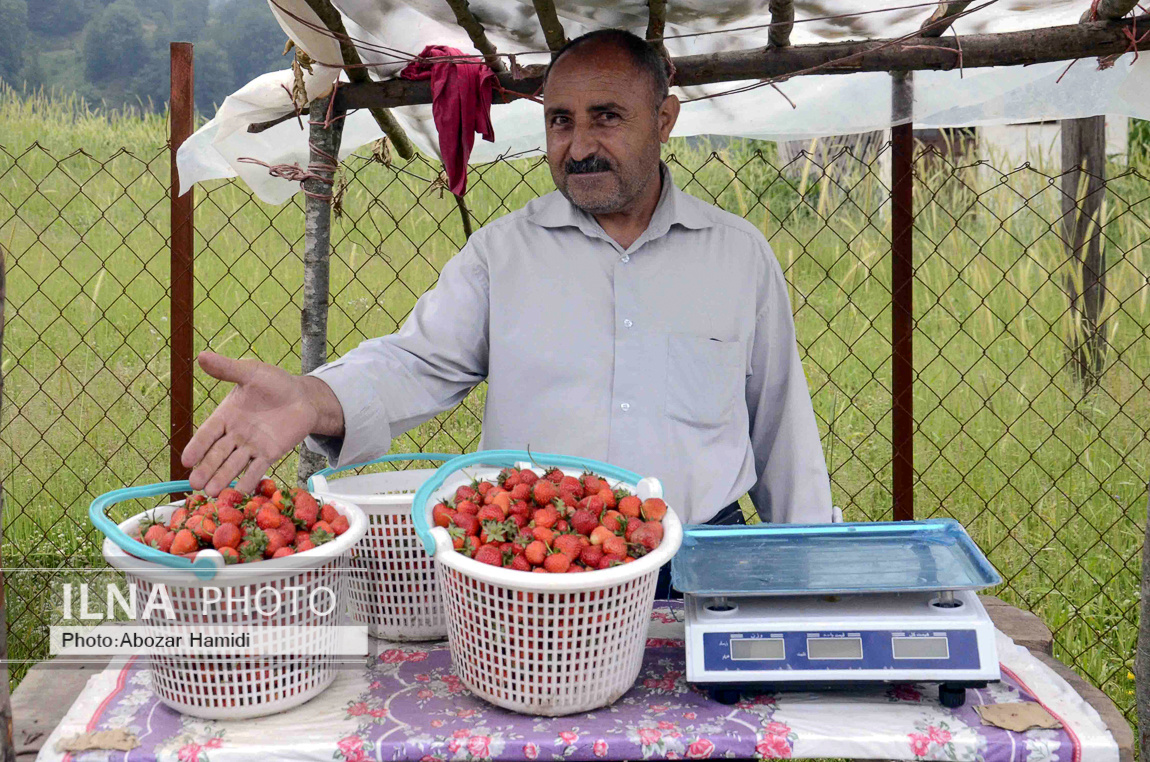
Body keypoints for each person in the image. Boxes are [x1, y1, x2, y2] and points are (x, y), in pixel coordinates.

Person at [182, 30, 833, 593]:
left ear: (664, 119)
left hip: (705, 562)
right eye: (559, 120)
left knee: (710, 733)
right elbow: (414, 361)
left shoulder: (737, 256)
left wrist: (815, 577)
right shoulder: (503, 254)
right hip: (537, 561)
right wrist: (310, 395)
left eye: (606, 117)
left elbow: (781, 428)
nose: (578, 145)